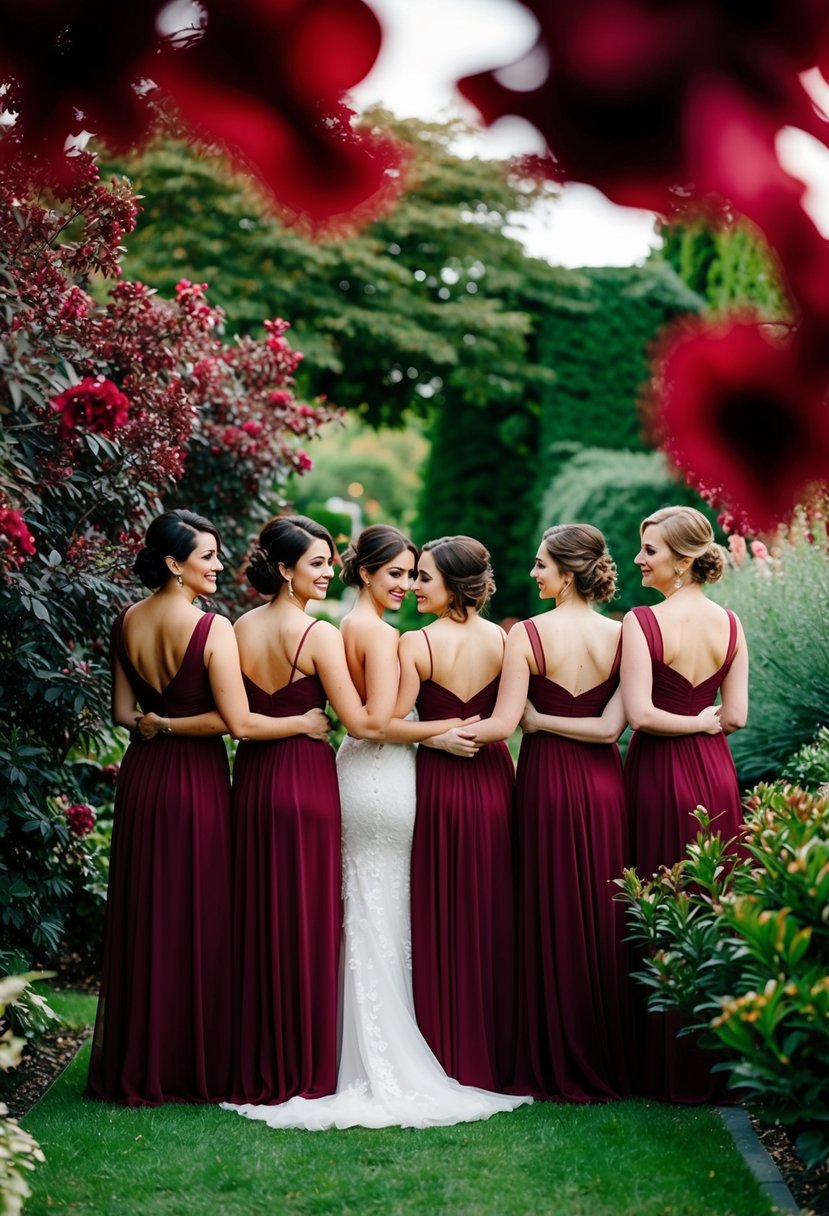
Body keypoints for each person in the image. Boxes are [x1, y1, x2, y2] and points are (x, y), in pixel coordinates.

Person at [224, 524, 528, 1129]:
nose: (406, 584)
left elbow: (362, 720)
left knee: (363, 907)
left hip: (362, 779)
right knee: (378, 907)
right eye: (396, 573)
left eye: (414, 574)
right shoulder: (382, 636)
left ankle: (350, 1051)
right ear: (364, 573)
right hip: (383, 777)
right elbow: (377, 721)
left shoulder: (345, 629)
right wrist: (436, 732)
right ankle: (374, 1053)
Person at [87, 509, 328, 1106]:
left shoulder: (126, 622)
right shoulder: (210, 628)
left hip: (143, 780)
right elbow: (236, 723)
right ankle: (189, 1065)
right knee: (198, 915)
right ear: (175, 564)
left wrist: (155, 724)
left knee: (148, 914)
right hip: (194, 781)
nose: (220, 565)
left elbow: (124, 715)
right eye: (208, 556)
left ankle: (138, 1058)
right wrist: (301, 719)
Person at [459, 524, 633, 1101]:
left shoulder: (527, 635)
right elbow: (613, 726)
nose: (532, 575)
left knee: (547, 907)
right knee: (603, 910)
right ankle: (609, 1049)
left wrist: (537, 721)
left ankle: (551, 1052)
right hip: (606, 782)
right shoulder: (622, 634)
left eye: (540, 566)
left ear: (567, 572)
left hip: (544, 781)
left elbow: (507, 724)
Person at [621, 504, 748, 1103]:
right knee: (711, 900)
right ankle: (718, 1062)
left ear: (681, 559)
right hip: (716, 774)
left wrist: (688, 725)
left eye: (650, 551)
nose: (640, 559)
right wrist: (704, 724)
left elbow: (640, 715)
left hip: (659, 769)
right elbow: (738, 716)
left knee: (659, 902)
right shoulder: (731, 622)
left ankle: (665, 1065)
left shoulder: (641, 621)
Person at [392, 535, 518, 1092]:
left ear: (454, 584)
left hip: (439, 779)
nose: (414, 586)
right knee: (490, 904)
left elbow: (393, 723)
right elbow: (508, 721)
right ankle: (492, 1044)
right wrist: (471, 733)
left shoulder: (415, 644)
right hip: (491, 776)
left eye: (424, 577)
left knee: (441, 902)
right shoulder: (507, 641)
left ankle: (442, 1042)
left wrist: (439, 737)